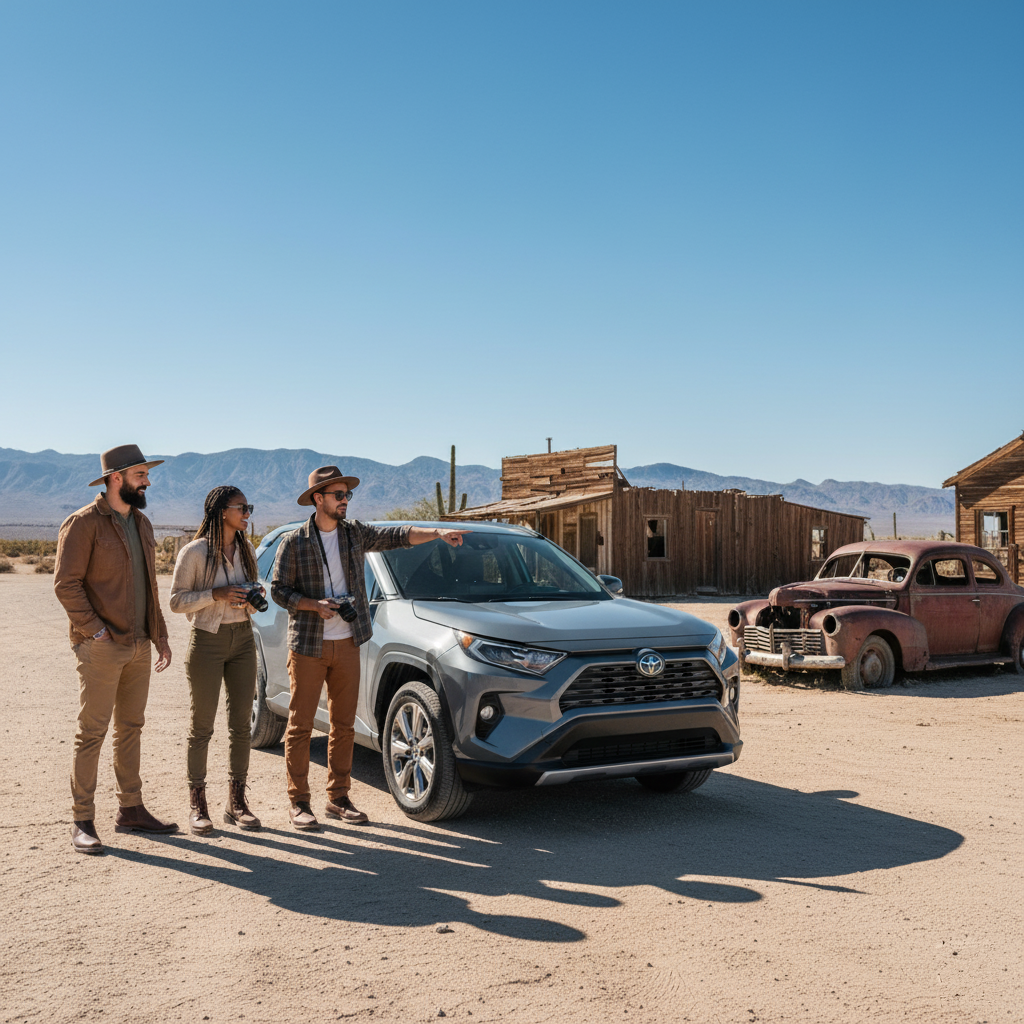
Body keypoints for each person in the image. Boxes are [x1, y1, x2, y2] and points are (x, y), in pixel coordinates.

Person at [271, 465, 468, 830]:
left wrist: (438, 533)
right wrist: (313, 605)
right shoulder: (294, 541)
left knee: (344, 725)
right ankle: (298, 802)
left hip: (348, 642)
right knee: (300, 725)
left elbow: (398, 535)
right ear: (318, 499)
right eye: (339, 495)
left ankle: (338, 798)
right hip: (309, 645)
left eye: (347, 495)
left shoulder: (354, 534)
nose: (345, 501)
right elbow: (278, 590)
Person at [54, 444, 176, 855]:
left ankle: (131, 809)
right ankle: (82, 820)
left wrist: (159, 635)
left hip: (139, 643)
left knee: (131, 728)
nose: (147, 482)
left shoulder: (142, 523)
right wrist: (96, 631)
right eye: (141, 475)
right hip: (102, 646)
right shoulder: (83, 523)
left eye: (146, 474)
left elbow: (150, 585)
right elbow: (65, 585)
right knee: (92, 732)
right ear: (115, 478)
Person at [169, 486, 265, 835]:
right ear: (223, 511)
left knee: (241, 726)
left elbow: (251, 591)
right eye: (242, 507)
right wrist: (216, 594)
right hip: (207, 641)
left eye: (249, 507)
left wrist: (253, 596)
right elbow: (176, 601)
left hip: (243, 638)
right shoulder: (194, 552)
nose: (247, 513)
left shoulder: (247, 549)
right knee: (202, 727)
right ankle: (198, 805)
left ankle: (236, 803)